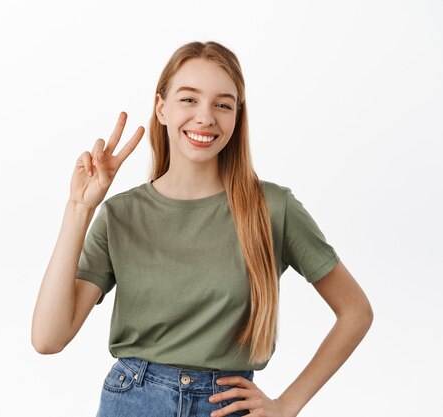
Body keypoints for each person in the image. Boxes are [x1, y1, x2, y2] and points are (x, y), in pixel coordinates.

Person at [31, 41, 373, 417]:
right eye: (189, 99)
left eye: (222, 104)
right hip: (134, 401)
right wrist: (79, 208)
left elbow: (355, 311)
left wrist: (287, 405)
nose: (205, 117)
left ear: (237, 116)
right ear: (162, 108)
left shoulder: (273, 209)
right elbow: (48, 338)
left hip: (226, 406)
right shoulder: (120, 215)